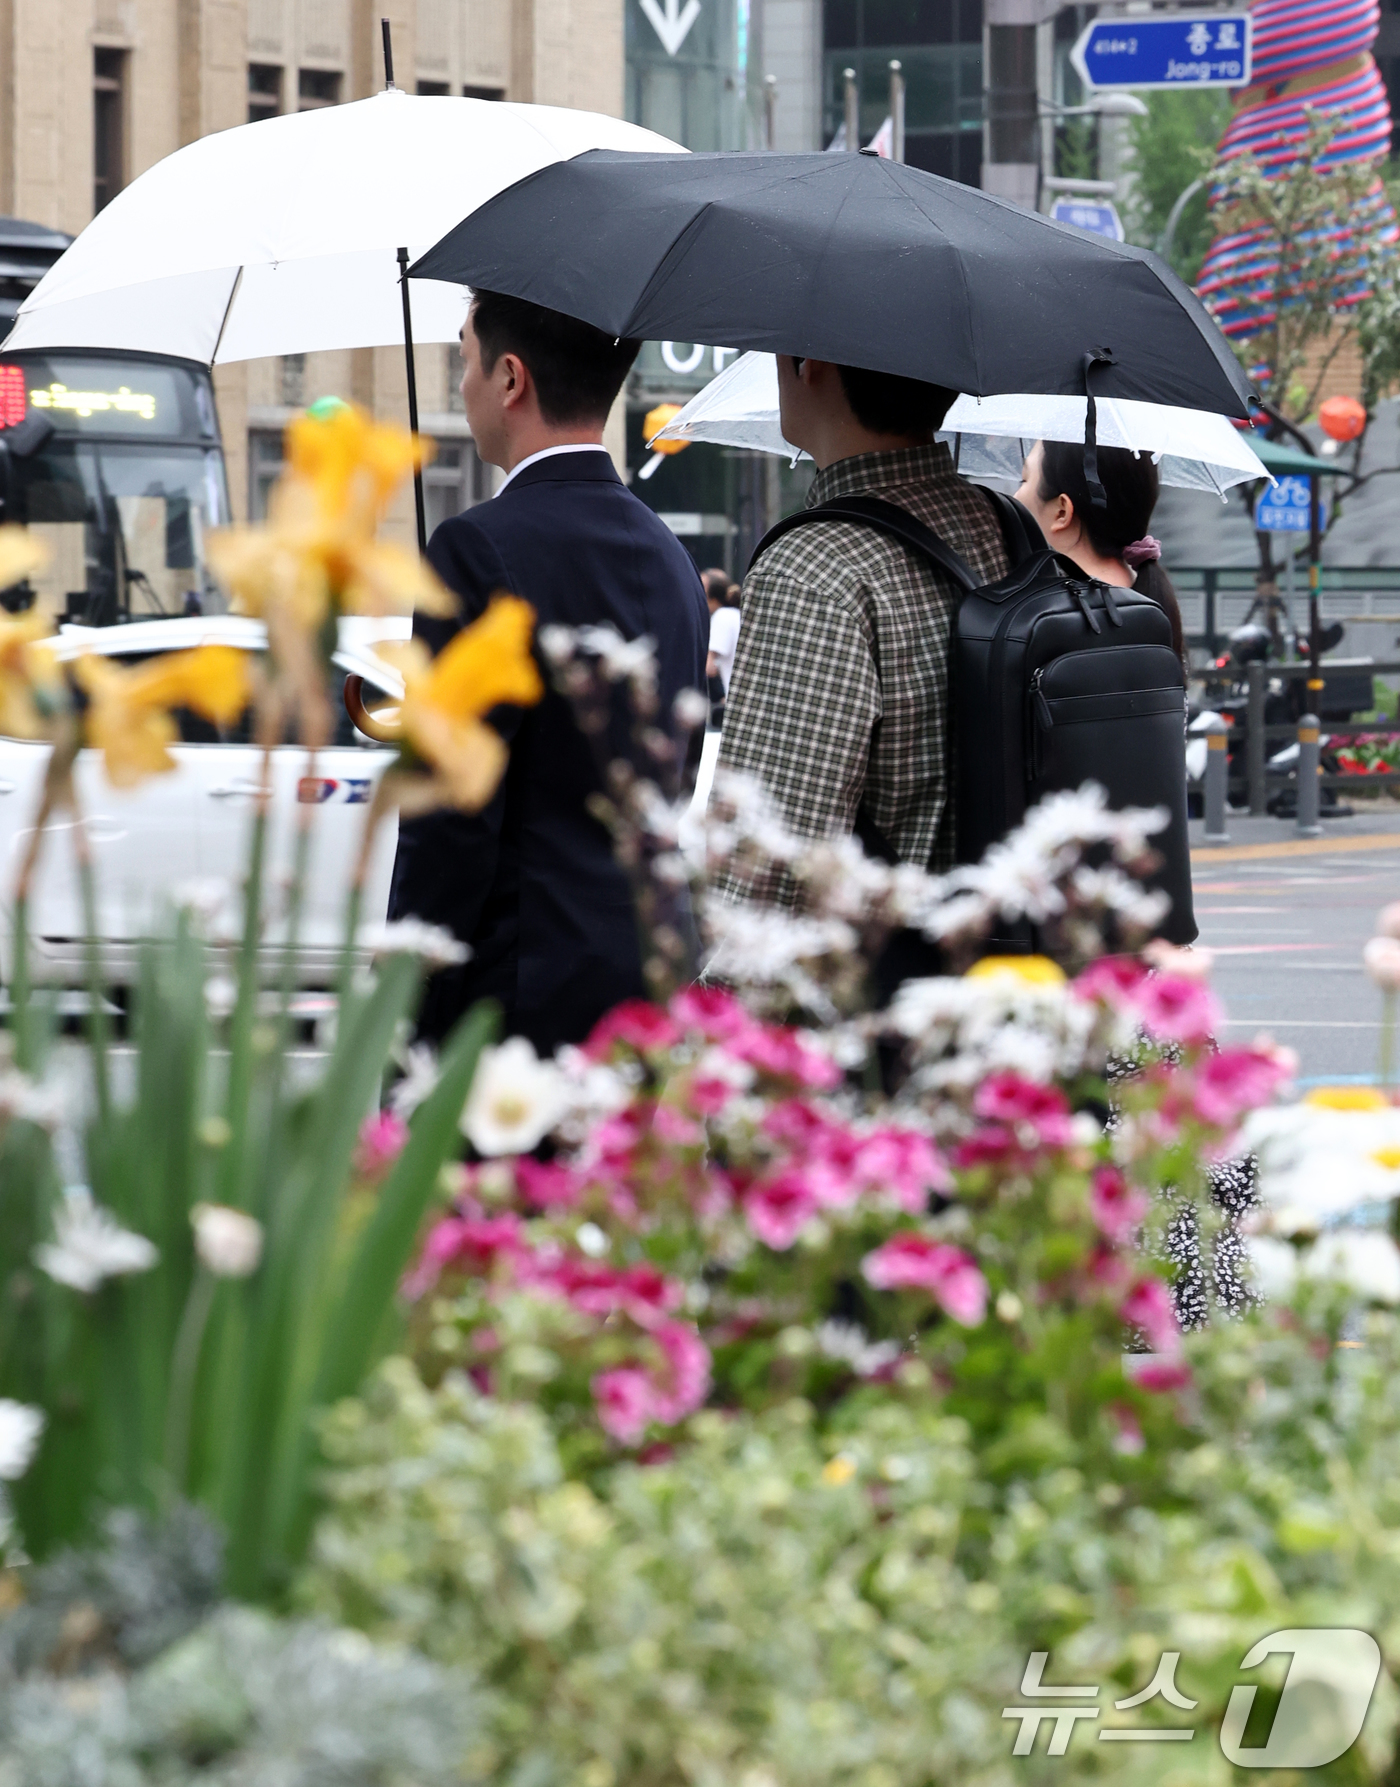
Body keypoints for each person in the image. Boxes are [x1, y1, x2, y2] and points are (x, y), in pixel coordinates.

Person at [390, 290, 709, 1052]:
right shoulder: (670, 555)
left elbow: (451, 822)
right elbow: (676, 769)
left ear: (510, 377)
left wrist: (411, 1002)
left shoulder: (473, 550)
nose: (461, 384)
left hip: (512, 1001)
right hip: (647, 986)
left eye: (463, 358)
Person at [714, 355, 1009, 905]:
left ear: (814, 364)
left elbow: (767, 870)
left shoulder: (811, 569)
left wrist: (715, 985)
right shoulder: (1008, 524)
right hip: (1010, 960)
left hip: (879, 972)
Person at [1013, 438, 1185, 667]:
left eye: (1024, 480)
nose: (1014, 497)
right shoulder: (1151, 605)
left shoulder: (1036, 619)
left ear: (1062, 511)